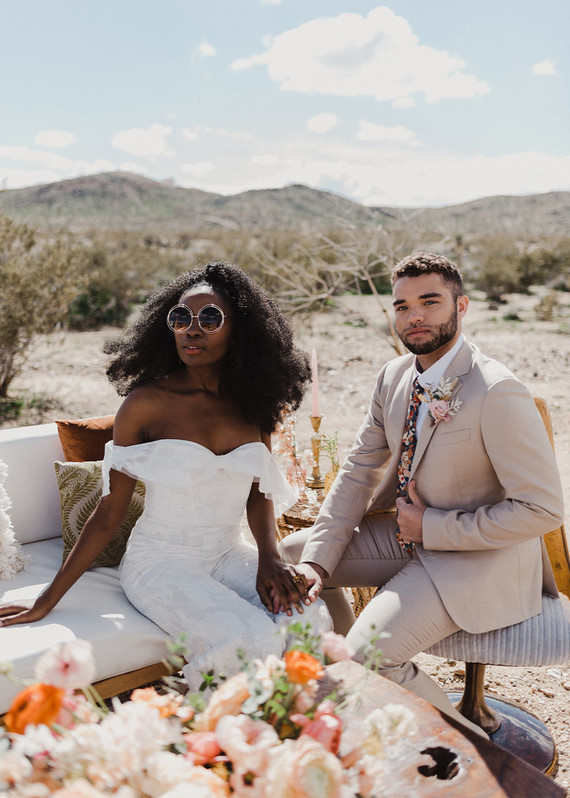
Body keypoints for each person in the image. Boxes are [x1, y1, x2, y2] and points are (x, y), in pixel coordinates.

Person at [0, 261, 330, 690]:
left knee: (310, 620)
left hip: (230, 553)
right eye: (180, 318)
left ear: (240, 330)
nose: (191, 330)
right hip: (160, 562)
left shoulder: (255, 404)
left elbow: (258, 490)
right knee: (250, 638)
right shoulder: (145, 405)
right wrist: (47, 599)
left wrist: (270, 556)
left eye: (210, 318)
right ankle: (204, 736)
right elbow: (109, 510)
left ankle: (292, 734)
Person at [280, 251, 564, 735]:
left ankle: (475, 756)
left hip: (478, 559)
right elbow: (359, 470)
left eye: (430, 302)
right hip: (408, 537)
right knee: (294, 556)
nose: (414, 316)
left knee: (371, 654)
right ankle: (356, 687)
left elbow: (542, 509)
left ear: (462, 305)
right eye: (402, 306)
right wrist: (318, 561)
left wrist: (431, 526)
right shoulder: (392, 377)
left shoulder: (497, 390)